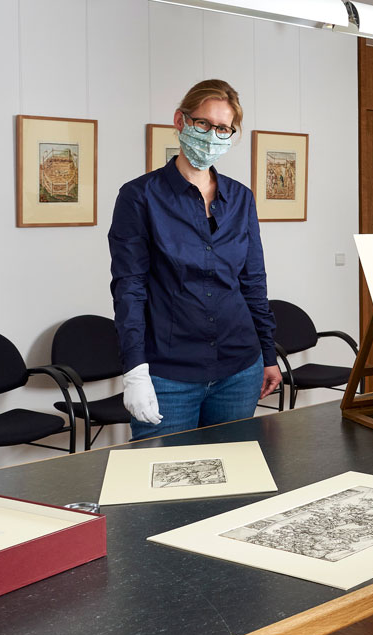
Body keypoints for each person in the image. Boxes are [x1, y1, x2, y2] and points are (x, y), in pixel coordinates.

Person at [109, 79, 281, 441]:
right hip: (169, 375)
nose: (211, 135)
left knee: (234, 482)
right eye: (203, 123)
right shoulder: (140, 196)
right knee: (160, 489)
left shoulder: (241, 198)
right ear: (181, 120)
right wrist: (135, 372)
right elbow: (130, 288)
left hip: (239, 368)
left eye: (223, 128)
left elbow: (253, 282)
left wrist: (267, 354)